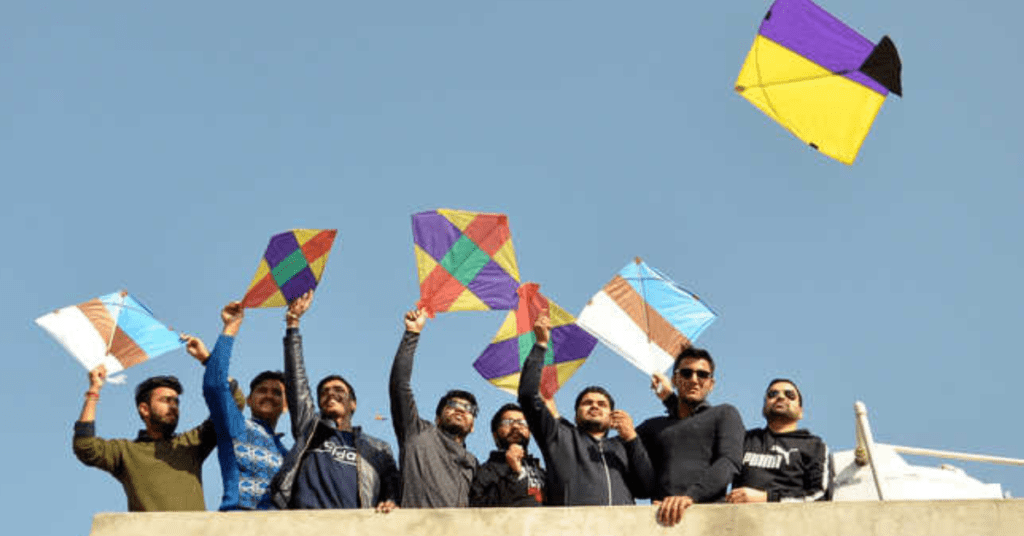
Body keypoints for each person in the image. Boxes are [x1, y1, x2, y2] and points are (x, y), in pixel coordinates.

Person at [268, 290, 399, 511]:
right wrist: (293, 324)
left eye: (339, 390)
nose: (331, 393)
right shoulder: (309, 429)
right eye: (324, 392)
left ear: (353, 404)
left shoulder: (377, 448)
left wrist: (392, 501)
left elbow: (392, 484)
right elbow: (297, 382)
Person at [72, 349, 241, 511]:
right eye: (166, 400)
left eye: (176, 402)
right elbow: (85, 446)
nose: (173, 406)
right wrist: (94, 391)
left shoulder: (191, 444)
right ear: (144, 409)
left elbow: (234, 403)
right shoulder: (126, 452)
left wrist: (207, 359)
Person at [518, 312, 653, 506]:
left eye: (602, 404)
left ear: (612, 416)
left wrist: (632, 439)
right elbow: (527, 396)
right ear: (575, 415)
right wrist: (541, 345)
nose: (595, 406)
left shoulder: (623, 446)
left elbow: (646, 488)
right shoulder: (558, 436)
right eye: (587, 403)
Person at [186, 301, 288, 510]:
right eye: (261, 390)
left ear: (286, 405)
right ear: (248, 400)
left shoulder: (289, 454)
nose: (269, 395)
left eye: (276, 392)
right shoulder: (237, 426)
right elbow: (216, 385)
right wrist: (231, 327)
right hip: (240, 522)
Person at [638, 347, 744, 526]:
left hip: (709, 522)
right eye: (686, 373)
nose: (694, 380)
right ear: (675, 380)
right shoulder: (653, 427)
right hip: (662, 522)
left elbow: (729, 462)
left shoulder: (724, 414)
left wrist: (689, 497)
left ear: (711, 383)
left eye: (702, 375)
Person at [389, 307, 479, 508]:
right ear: (437, 418)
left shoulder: (473, 463)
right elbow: (399, 386)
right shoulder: (418, 433)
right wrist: (412, 334)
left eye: (469, 409)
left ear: (473, 426)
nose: (461, 410)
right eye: (453, 405)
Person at [726, 379, 831, 503]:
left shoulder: (814, 446)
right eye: (772, 394)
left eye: (790, 395)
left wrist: (767, 498)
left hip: (788, 519)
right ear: (764, 406)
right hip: (740, 518)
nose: (780, 397)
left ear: (800, 412)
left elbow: (820, 495)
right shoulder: (745, 439)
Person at [469, 403, 546, 507]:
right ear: (495, 434)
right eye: (507, 422)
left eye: (522, 422)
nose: (515, 426)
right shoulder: (486, 471)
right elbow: (478, 508)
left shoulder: (541, 472)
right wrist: (515, 475)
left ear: (529, 432)